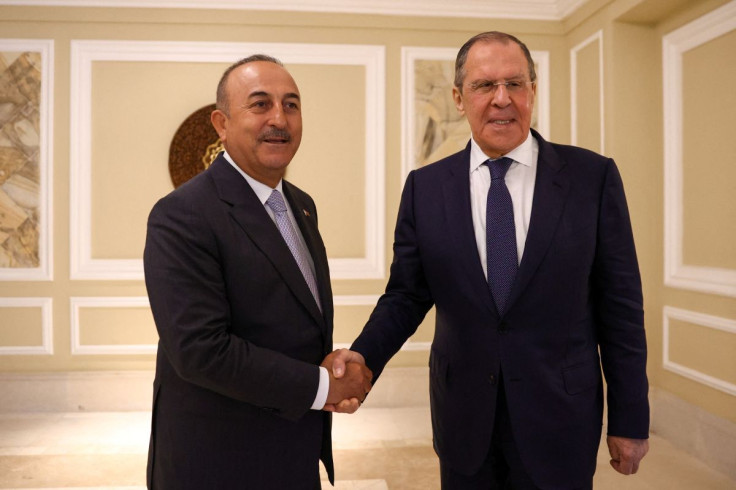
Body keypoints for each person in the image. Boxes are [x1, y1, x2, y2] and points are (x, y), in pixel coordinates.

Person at [326, 32, 649, 489]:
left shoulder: (591, 179)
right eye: (484, 86)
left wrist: (631, 417)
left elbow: (621, 307)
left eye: (515, 84)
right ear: (459, 98)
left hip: (562, 421)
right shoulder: (426, 188)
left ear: (533, 91)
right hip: (464, 420)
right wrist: (363, 357)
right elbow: (406, 296)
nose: (502, 99)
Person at [144, 54, 371, 490]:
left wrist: (332, 368)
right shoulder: (182, 214)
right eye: (260, 104)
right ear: (221, 122)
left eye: (291, 104)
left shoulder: (300, 205)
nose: (279, 119)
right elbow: (200, 351)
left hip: (291, 450)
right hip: (217, 463)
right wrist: (323, 386)